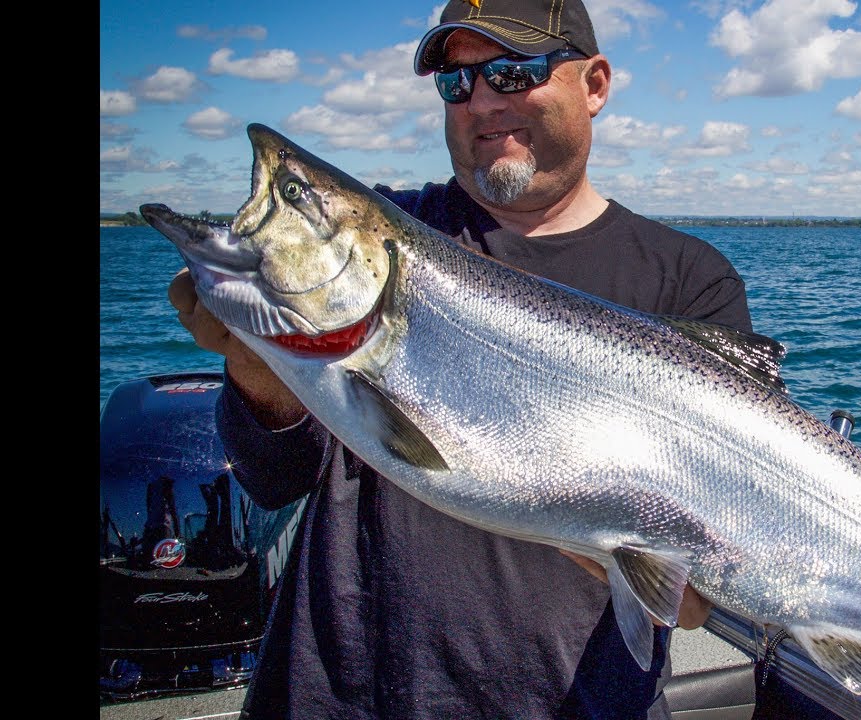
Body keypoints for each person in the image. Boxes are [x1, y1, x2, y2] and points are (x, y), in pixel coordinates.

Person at [167, 1, 756, 718]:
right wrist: (256, 356)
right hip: (334, 698)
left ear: (594, 84)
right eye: (458, 83)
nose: (482, 102)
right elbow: (274, 478)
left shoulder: (688, 281)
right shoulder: (392, 228)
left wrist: (666, 567)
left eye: (512, 73)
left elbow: (690, 603)